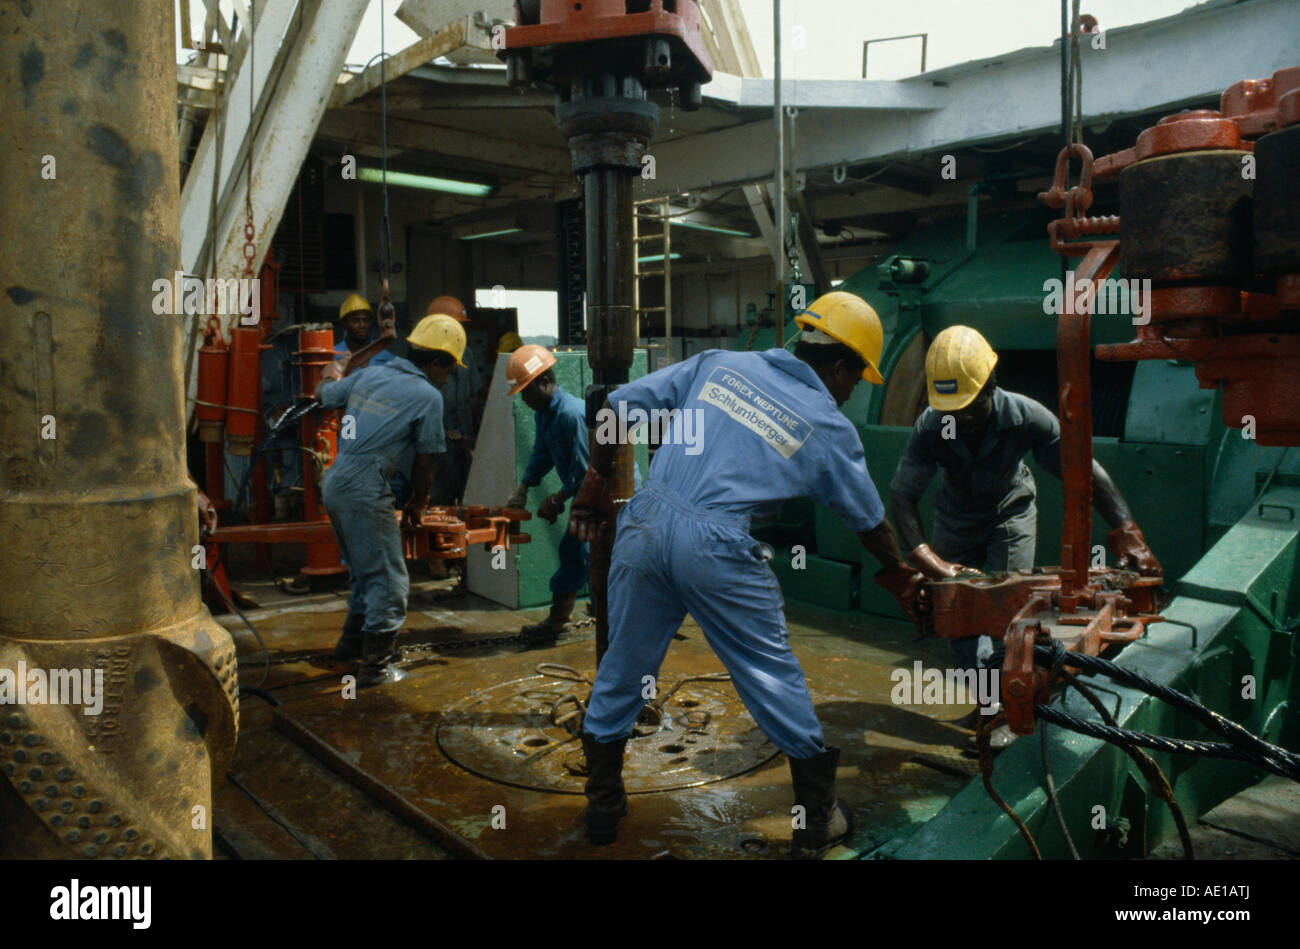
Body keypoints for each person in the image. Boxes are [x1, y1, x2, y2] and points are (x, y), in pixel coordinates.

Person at [567, 291, 924, 859]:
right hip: (715, 544)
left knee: (623, 668)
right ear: (838, 368)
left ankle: (603, 810)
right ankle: (814, 824)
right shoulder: (829, 426)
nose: (851, 392)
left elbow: (610, 408)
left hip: (646, 521)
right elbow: (870, 522)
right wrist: (901, 575)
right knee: (769, 674)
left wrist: (594, 477)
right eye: (856, 379)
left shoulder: (722, 363)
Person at [889, 325, 1161, 731]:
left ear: (990, 388)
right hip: (954, 522)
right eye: (952, 411)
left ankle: (1012, 705)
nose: (960, 419)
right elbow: (902, 496)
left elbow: (1081, 470)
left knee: (1009, 615)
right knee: (958, 621)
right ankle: (987, 705)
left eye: (969, 407)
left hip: (1009, 516)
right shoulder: (931, 426)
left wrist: (1126, 528)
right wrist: (929, 561)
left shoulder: (1027, 416)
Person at [315, 313, 467, 686]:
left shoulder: (371, 373)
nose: (448, 377)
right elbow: (428, 458)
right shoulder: (429, 396)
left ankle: (349, 650)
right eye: (448, 368)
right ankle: (376, 668)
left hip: (335, 481)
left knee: (365, 575)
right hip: (365, 486)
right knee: (389, 580)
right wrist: (419, 501)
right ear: (435, 363)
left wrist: (332, 369)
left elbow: (323, 395)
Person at [504, 345, 591, 642]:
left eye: (527, 392)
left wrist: (557, 498)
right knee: (577, 551)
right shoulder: (544, 414)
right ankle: (564, 620)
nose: (525, 400)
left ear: (545, 382)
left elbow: (584, 471)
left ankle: (565, 621)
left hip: (604, 491)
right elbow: (542, 453)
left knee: (584, 551)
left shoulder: (570, 414)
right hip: (585, 490)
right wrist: (524, 486)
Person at [335, 293, 396, 367]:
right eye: (356, 321)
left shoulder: (384, 356)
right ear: (344, 323)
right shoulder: (334, 355)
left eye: (366, 320)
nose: (362, 325)